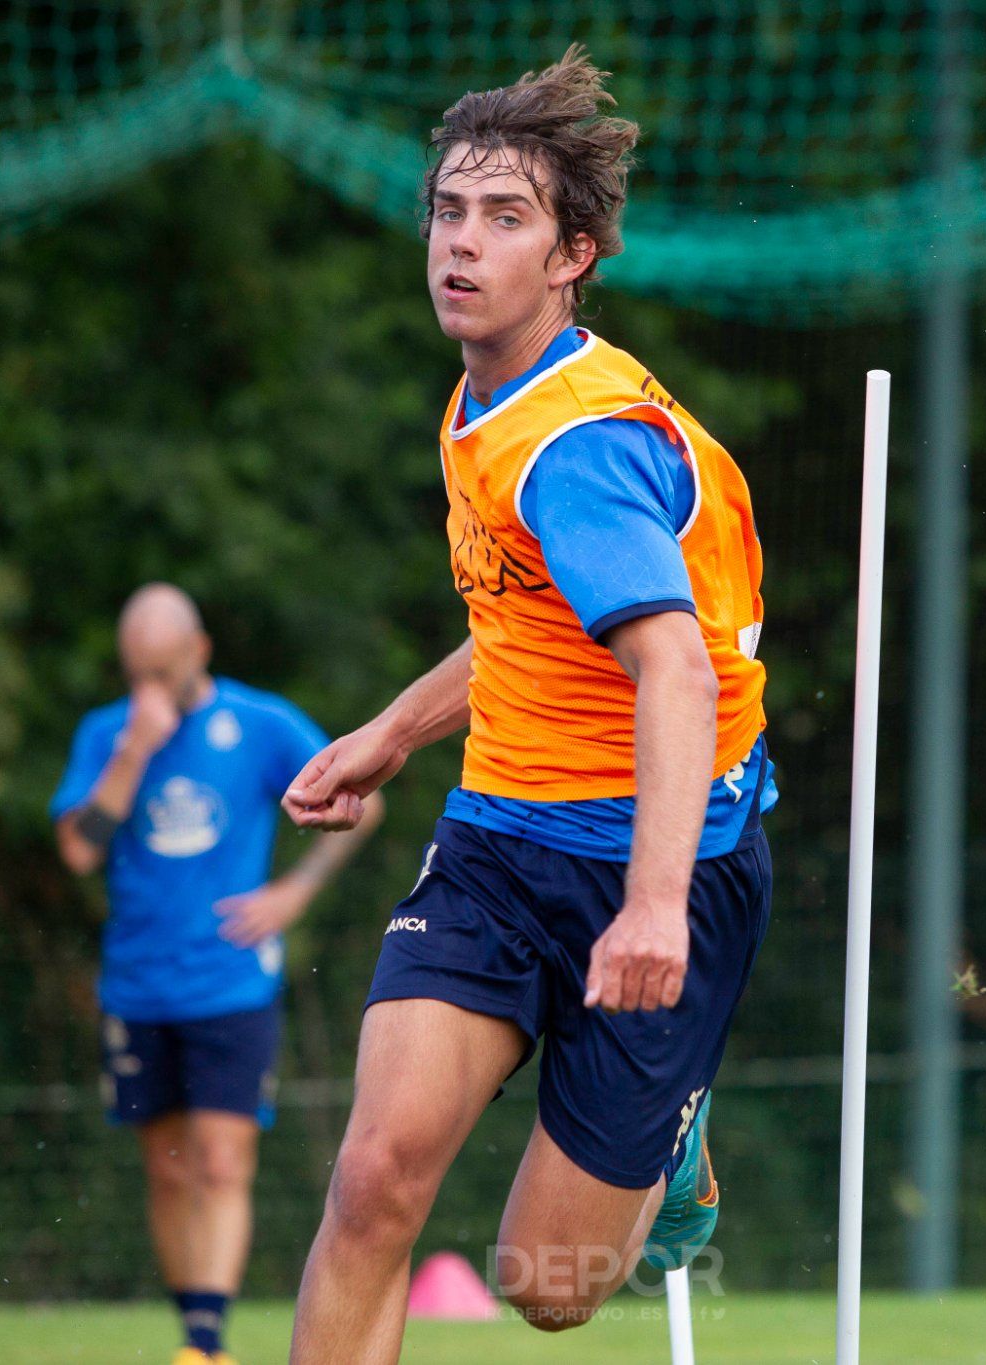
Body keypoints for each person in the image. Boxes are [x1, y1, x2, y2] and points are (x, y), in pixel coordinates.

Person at [282, 46, 776, 1359]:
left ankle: (674, 1139)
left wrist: (656, 904)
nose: (462, 242)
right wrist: (390, 736)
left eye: (505, 218)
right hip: (502, 841)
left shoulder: (582, 453)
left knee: (543, 1283)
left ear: (574, 256)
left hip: (661, 868)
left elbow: (668, 665)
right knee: (375, 1182)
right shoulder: (480, 398)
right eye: (450, 209)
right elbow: (525, 627)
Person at [51, 583, 382, 1365]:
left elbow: (359, 800)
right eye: (136, 674)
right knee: (167, 1171)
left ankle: (205, 1344)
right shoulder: (106, 735)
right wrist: (135, 749)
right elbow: (78, 848)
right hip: (137, 985)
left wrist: (294, 891)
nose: (149, 691)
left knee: (224, 1159)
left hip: (232, 984)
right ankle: (193, 1328)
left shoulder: (260, 724)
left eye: (162, 672)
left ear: (198, 651)